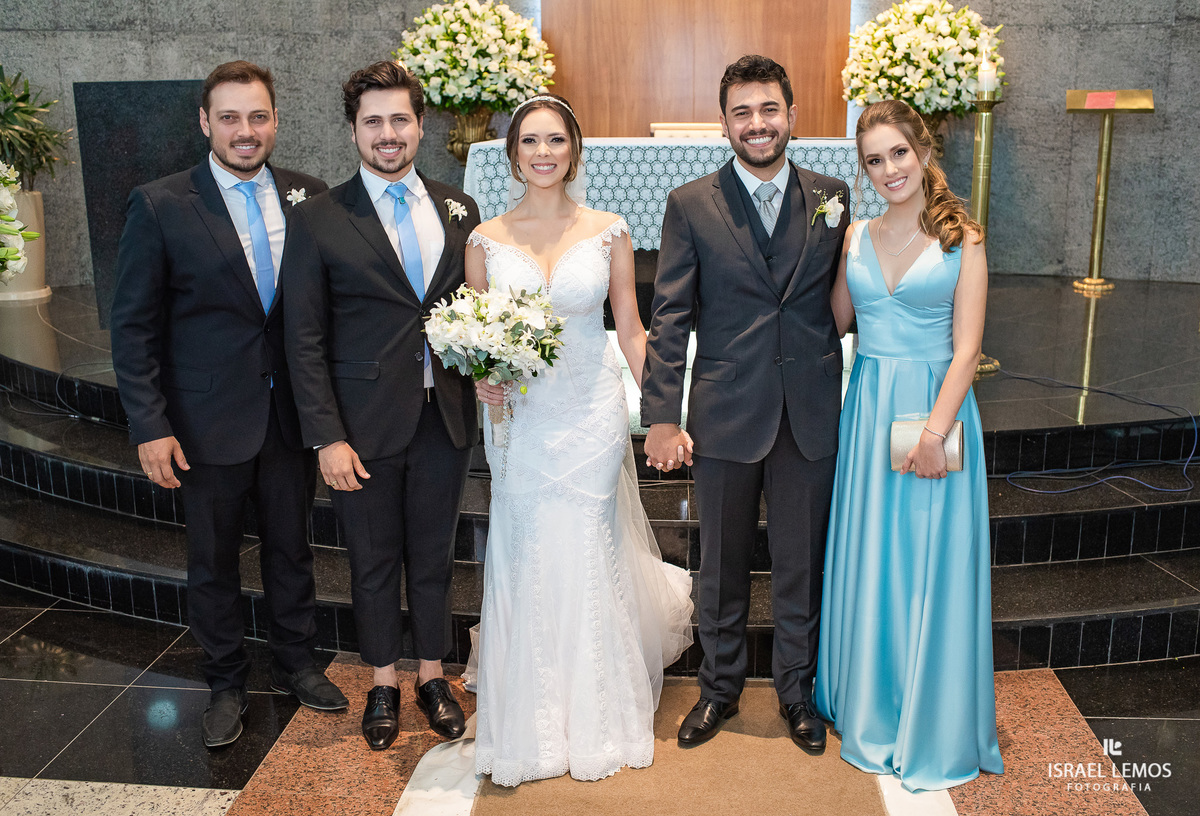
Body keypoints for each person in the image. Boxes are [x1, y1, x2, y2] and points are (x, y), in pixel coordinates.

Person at [110, 61, 345, 749]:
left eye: (259, 117)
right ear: (206, 123)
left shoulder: (310, 195)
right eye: (232, 118)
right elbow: (133, 326)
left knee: (291, 549)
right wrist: (149, 425)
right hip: (204, 421)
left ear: (275, 121)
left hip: (289, 415)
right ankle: (224, 680)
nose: (247, 132)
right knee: (212, 558)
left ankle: (298, 663)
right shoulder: (160, 203)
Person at [468, 94, 694, 786]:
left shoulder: (609, 231)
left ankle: (600, 714)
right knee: (527, 546)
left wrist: (664, 410)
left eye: (556, 141)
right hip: (522, 419)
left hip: (590, 409)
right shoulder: (484, 239)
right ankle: (532, 719)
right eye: (530, 141)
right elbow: (479, 339)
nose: (543, 153)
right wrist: (484, 378)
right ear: (512, 154)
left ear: (574, 150)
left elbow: (630, 327)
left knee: (588, 543)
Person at [641, 55, 849, 753]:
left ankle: (798, 695)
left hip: (809, 413)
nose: (756, 124)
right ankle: (719, 691)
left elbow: (843, 300)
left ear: (791, 115)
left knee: (802, 565)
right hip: (727, 412)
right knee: (720, 566)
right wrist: (662, 416)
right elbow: (670, 317)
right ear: (724, 122)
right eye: (742, 112)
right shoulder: (691, 203)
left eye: (768, 110)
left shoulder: (832, 194)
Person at [281, 61, 480, 751]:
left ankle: (431, 678)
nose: (388, 134)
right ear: (354, 130)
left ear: (421, 125)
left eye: (400, 119)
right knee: (371, 560)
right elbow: (302, 338)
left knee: (432, 556)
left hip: (444, 418)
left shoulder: (459, 208)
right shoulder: (318, 219)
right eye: (374, 122)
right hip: (361, 427)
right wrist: (325, 436)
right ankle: (384, 684)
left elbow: (470, 313)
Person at [812, 99, 1004, 791]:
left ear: (922, 152)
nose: (889, 168)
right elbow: (833, 321)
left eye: (898, 152)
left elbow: (969, 349)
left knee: (926, 559)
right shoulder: (855, 235)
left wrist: (934, 433)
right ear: (862, 171)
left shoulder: (964, 238)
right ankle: (869, 701)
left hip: (934, 410)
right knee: (874, 556)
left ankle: (927, 716)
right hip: (867, 411)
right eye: (874, 159)